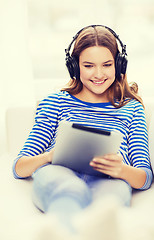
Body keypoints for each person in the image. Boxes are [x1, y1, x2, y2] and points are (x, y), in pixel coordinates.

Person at [13, 25, 153, 235]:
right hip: (59, 172)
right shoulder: (54, 103)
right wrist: (51, 155)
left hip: (110, 179)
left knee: (107, 203)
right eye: (88, 66)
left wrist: (121, 170)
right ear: (75, 67)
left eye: (107, 64)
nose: (98, 74)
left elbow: (145, 177)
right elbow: (19, 167)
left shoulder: (131, 108)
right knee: (70, 191)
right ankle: (61, 233)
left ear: (119, 64)